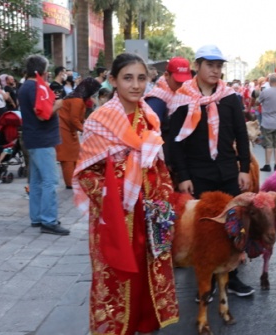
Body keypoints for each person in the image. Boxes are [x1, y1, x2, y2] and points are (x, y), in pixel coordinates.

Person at [73, 53, 179, 335]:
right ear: (113, 81)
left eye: (141, 78)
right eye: (127, 78)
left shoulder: (150, 118)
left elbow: (159, 166)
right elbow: (86, 173)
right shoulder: (100, 121)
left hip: (149, 213)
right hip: (116, 216)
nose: (135, 85)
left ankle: (145, 325)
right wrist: (120, 193)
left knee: (147, 273)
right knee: (116, 277)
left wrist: (164, 198)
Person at [167, 44, 254, 297]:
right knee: (204, 228)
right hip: (197, 174)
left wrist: (244, 168)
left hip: (228, 171)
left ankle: (233, 275)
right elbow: (176, 142)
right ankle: (207, 281)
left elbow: (241, 134)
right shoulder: (182, 99)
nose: (215, 71)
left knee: (235, 223)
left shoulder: (229, 98)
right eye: (210, 65)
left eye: (219, 66)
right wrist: (183, 176)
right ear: (197, 66)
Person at [18, 55, 70, 236]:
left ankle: (38, 217)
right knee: (49, 181)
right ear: (42, 71)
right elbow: (42, 114)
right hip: (41, 140)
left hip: (34, 139)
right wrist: (58, 104)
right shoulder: (34, 87)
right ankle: (49, 220)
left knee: (37, 180)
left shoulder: (27, 86)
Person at [55, 78, 101, 189]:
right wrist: (85, 130)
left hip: (67, 129)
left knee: (74, 155)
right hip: (63, 129)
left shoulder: (77, 98)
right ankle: (70, 183)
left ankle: (73, 180)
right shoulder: (77, 100)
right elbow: (74, 119)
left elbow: (76, 119)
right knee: (68, 157)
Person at [144, 56, 192, 160]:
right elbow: (150, 132)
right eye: (178, 82)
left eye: (184, 82)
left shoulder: (187, 96)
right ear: (166, 75)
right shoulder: (157, 100)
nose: (182, 86)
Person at [258, 74, 276, 172]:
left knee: (268, 144)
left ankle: (267, 164)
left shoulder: (265, 92)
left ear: (269, 82)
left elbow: (258, 101)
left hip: (267, 122)